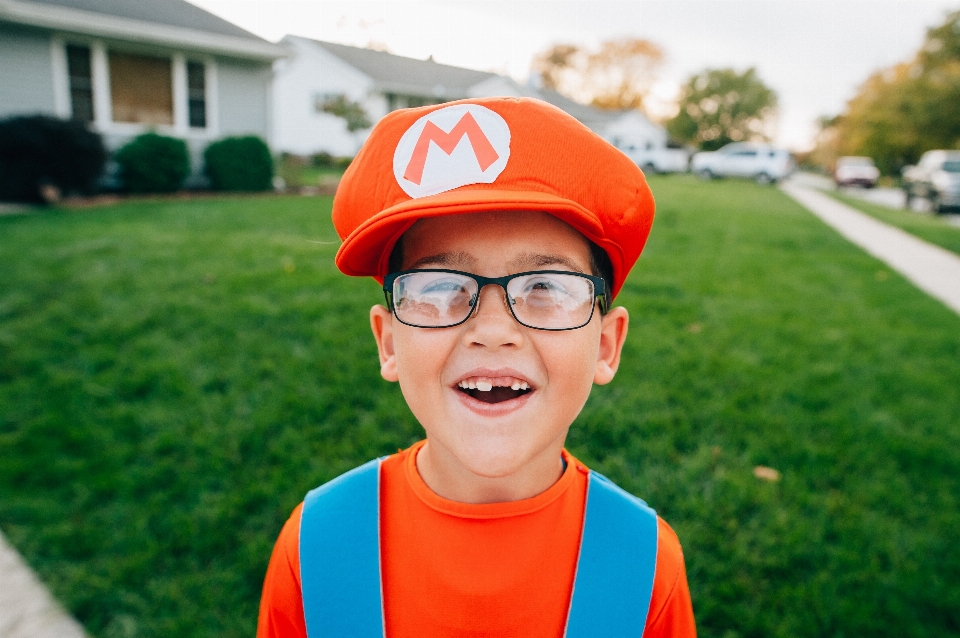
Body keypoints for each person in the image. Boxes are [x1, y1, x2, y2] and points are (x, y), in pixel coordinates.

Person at [257, 97, 696, 638]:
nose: (492, 330)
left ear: (606, 344)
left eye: (544, 287)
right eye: (440, 287)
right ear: (388, 341)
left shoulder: (647, 564)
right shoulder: (316, 544)